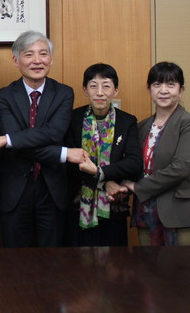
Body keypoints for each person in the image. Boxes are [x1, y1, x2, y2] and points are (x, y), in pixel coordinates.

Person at [0, 30, 83, 247]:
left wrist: (6, 140)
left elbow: (54, 133)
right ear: (16, 60)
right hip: (14, 188)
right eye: (29, 54)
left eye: (43, 54)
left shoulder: (64, 93)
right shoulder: (4, 96)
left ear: (51, 59)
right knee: (14, 257)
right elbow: (16, 144)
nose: (37, 61)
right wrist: (64, 154)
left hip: (52, 188)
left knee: (52, 257)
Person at [122, 61, 190, 246]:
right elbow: (133, 164)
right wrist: (119, 182)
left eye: (170, 84)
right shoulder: (141, 127)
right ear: (149, 89)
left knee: (183, 265)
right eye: (157, 84)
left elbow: (181, 167)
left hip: (180, 214)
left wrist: (139, 187)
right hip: (146, 212)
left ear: (181, 89)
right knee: (148, 265)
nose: (163, 90)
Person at [63, 63, 142, 247]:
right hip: (77, 204)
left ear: (115, 90)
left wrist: (101, 173)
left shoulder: (127, 121)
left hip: (113, 204)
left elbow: (134, 162)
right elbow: (69, 163)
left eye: (106, 86)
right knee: (77, 260)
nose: (100, 93)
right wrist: (105, 182)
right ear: (85, 90)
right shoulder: (72, 119)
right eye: (93, 86)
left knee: (113, 262)